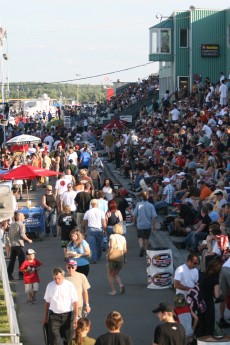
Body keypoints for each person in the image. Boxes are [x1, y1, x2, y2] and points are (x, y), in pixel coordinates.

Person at [43, 267, 78, 345]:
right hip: (54, 316)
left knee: (68, 339)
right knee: (54, 339)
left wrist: (76, 317)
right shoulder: (50, 286)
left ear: (63, 276)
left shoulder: (69, 285)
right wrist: (45, 317)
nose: (57, 280)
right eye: (55, 278)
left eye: (59, 278)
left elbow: (75, 302)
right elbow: (47, 302)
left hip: (68, 316)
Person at [7, 212, 33, 281]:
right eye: (23, 216)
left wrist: (11, 242)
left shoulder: (12, 224)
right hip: (19, 245)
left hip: (13, 245)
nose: (24, 217)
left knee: (12, 261)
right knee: (21, 261)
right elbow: (22, 235)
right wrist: (28, 239)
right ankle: (21, 275)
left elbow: (9, 234)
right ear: (19, 217)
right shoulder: (21, 225)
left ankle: (9, 274)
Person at [133, 191, 157, 257]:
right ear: (148, 197)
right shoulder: (151, 205)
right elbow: (154, 216)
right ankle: (146, 250)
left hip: (140, 224)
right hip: (148, 224)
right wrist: (154, 225)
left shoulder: (138, 204)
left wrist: (134, 221)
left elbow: (134, 214)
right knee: (147, 238)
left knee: (140, 237)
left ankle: (141, 247)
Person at [82, 199, 106, 264]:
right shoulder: (101, 212)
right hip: (99, 229)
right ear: (97, 204)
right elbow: (103, 222)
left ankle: (94, 258)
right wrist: (105, 229)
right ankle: (98, 256)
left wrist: (83, 229)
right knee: (98, 244)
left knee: (92, 245)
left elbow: (84, 222)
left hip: (91, 229)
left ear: (91, 204)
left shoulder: (88, 212)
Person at [106, 223, 127, 296]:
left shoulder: (112, 236)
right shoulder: (123, 238)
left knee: (109, 274)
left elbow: (111, 247)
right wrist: (124, 259)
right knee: (115, 273)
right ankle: (121, 284)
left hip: (113, 257)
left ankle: (113, 290)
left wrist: (108, 255)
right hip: (120, 257)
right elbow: (125, 250)